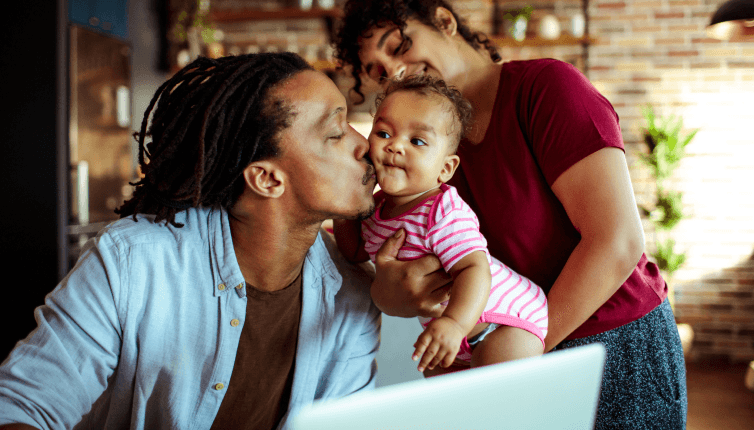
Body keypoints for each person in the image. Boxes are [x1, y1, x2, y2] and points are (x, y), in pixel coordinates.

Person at [334, 0, 687, 428]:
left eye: (397, 46)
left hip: (612, 344)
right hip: (503, 351)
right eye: (375, 70)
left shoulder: (546, 88)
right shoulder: (422, 152)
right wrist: (390, 296)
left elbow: (617, 242)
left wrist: (516, 360)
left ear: (445, 22)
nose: (392, 70)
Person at [0, 52, 381, 430]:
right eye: (336, 132)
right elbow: (19, 411)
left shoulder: (354, 291)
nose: (364, 145)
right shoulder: (131, 264)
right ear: (267, 179)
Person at [334, 75, 547, 374]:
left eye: (417, 141)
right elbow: (354, 251)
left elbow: (474, 268)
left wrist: (455, 323)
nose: (395, 146)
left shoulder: (442, 210)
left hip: (503, 320)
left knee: (494, 397)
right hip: (446, 331)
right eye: (383, 133)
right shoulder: (374, 208)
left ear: (445, 169)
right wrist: (344, 205)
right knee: (447, 403)